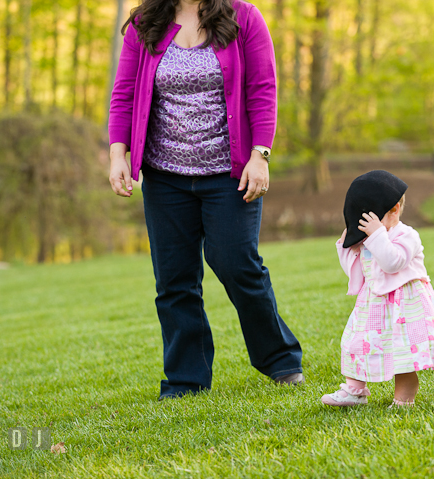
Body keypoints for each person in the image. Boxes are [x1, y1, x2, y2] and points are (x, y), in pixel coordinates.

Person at [107, 0, 304, 399]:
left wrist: (260, 155)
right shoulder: (146, 23)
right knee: (174, 280)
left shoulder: (243, 17)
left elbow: (263, 89)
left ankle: (280, 359)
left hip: (228, 174)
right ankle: (186, 380)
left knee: (237, 265)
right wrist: (117, 154)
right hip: (165, 177)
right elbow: (124, 92)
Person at [321, 170, 434, 407]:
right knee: (355, 342)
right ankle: (355, 390)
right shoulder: (370, 238)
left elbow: (392, 262)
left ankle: (403, 400)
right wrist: (347, 247)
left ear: (394, 210)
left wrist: (376, 235)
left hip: (405, 306)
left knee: (403, 352)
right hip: (373, 304)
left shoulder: (407, 236)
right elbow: (356, 272)